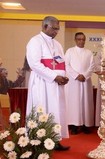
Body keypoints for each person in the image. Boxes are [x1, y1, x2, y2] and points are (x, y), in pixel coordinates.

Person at [26, 16, 70, 151]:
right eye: (54, 29)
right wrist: (54, 76)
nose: (56, 32)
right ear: (45, 26)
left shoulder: (57, 44)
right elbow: (34, 64)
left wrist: (64, 76)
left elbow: (62, 62)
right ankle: (39, 142)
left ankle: (55, 140)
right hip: (42, 82)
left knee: (56, 110)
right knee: (43, 109)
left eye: (58, 29)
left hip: (57, 84)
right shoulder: (35, 41)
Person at [65, 32, 95, 134]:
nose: (81, 41)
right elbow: (66, 65)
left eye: (83, 39)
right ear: (75, 40)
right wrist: (77, 75)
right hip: (74, 82)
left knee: (85, 102)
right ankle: (73, 125)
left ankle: (85, 124)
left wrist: (85, 76)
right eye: (79, 39)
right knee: (74, 102)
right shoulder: (70, 51)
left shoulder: (89, 52)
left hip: (85, 81)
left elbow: (92, 66)